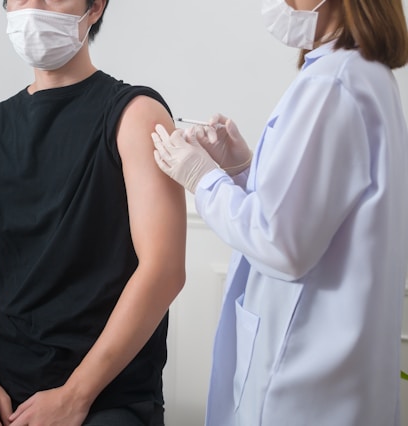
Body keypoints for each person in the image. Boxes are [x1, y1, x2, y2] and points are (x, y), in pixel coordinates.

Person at [0, 0, 187, 425]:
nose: (33, 7)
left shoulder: (136, 115)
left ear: (95, 7)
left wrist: (75, 395)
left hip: (107, 396)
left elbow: (164, 269)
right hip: (3, 389)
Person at [152, 0, 408, 424]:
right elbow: (317, 209)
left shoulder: (333, 84)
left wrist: (203, 178)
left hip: (305, 382)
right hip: (342, 378)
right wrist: (243, 171)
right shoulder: (364, 75)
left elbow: (282, 243)